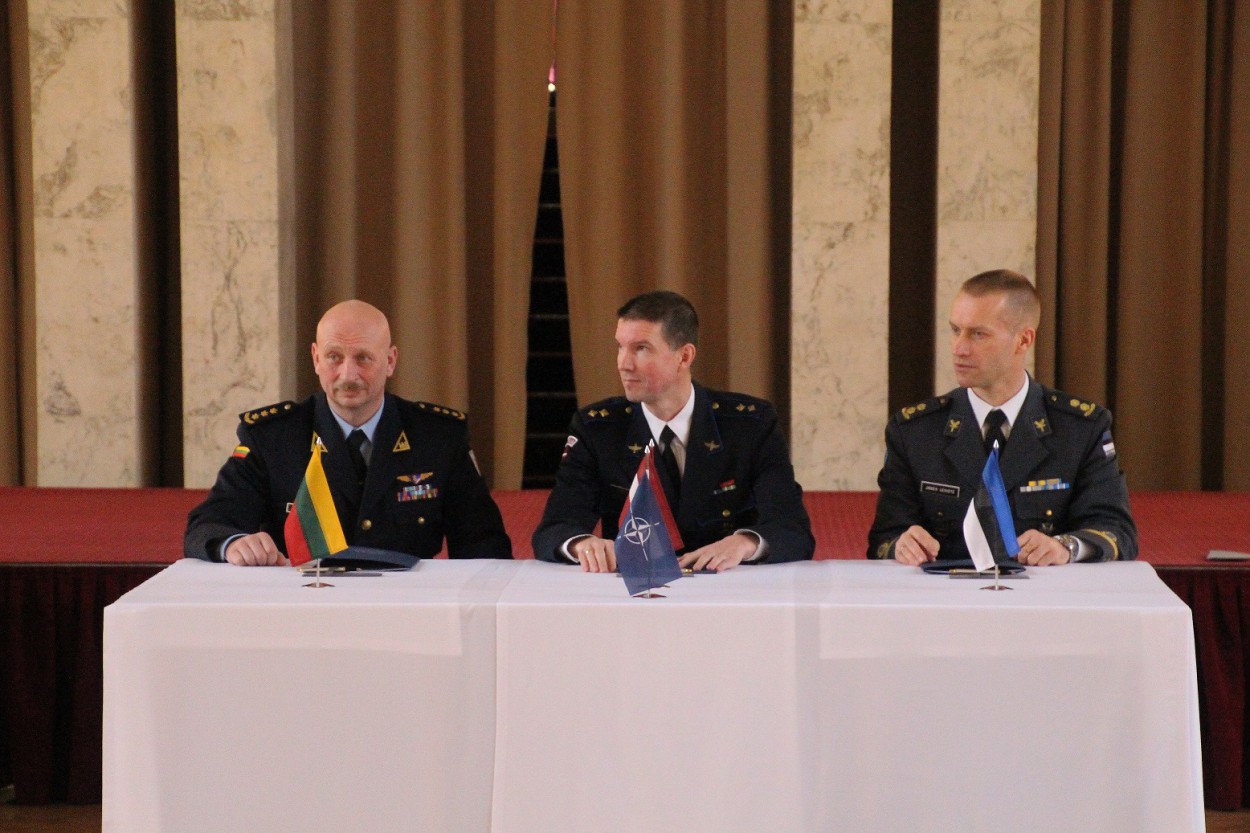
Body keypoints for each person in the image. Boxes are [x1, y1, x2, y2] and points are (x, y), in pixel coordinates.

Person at [186, 299, 512, 565]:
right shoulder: (272, 438)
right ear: (316, 358)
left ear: (390, 361)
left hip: (405, 608)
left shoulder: (438, 437)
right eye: (334, 357)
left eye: (363, 358)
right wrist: (234, 543)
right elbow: (208, 524)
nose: (348, 374)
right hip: (303, 606)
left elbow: (484, 544)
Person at [868, 269, 1137, 566]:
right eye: (955, 330)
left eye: (978, 334)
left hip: (1044, 591)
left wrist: (1066, 547)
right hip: (947, 590)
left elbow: (1117, 532)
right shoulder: (915, 431)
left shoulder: (1080, 429)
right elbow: (884, 538)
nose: (959, 348)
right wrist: (901, 546)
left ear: (1023, 340)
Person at [533, 290, 814, 572]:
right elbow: (555, 528)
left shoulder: (750, 426)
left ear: (684, 356)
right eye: (620, 347)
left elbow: (792, 530)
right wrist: (581, 544)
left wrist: (744, 543)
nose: (623, 364)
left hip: (727, 585)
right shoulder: (598, 429)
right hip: (636, 589)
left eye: (641, 348)